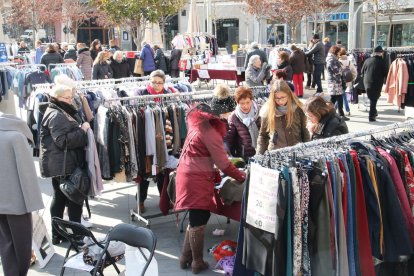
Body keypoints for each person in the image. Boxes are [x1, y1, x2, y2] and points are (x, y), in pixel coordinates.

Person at [175, 103, 246, 274]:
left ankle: (185, 258)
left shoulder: (198, 126)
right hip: (196, 178)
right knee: (198, 217)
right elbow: (224, 164)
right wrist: (242, 176)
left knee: (197, 217)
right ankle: (197, 262)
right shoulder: (209, 132)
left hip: (190, 175)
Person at [39, 85, 90, 245]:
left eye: (70, 97)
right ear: (57, 97)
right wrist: (82, 131)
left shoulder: (58, 110)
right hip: (63, 164)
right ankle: (77, 237)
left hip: (60, 163)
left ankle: (58, 234)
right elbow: (62, 141)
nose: (70, 100)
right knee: (74, 199)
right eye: (66, 98)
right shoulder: (56, 114)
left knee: (60, 198)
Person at [0, 113, 44, 276]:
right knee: (22, 246)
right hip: (18, 203)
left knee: (5, 244)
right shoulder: (17, 137)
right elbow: (27, 175)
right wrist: (35, 204)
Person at [136, 70, 175, 212]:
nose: (157, 85)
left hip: (165, 136)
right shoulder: (141, 93)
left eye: (160, 83)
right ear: (149, 81)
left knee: (162, 171)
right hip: (147, 136)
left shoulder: (169, 93)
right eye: (154, 82)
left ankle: (164, 198)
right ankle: (140, 201)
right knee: (146, 171)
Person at [257, 80, 309, 153]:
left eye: (283, 97)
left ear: (288, 95)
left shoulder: (297, 108)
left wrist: (307, 150)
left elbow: (305, 131)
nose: (280, 101)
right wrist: (259, 155)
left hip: (296, 152)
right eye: (277, 98)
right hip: (276, 153)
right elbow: (263, 135)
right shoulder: (267, 111)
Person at [224, 87, 260, 161]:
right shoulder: (234, 117)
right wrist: (226, 152)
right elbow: (229, 138)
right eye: (242, 103)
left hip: (261, 152)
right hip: (245, 156)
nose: (245, 106)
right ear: (237, 103)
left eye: (247, 102)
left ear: (251, 100)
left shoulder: (259, 113)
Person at [361, 45, 388, 121]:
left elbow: (362, 71)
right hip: (376, 83)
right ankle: (371, 116)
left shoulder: (367, 60)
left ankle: (374, 112)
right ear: (380, 53)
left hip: (366, 82)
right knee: (373, 99)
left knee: (372, 98)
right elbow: (386, 73)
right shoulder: (382, 62)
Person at [326, 45, 349, 121]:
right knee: (334, 98)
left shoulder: (333, 58)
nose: (339, 53)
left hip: (335, 82)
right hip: (334, 82)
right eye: (338, 51)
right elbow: (336, 71)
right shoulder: (331, 60)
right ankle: (328, 113)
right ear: (335, 52)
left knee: (338, 98)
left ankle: (340, 114)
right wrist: (342, 70)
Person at [338, 48, 357, 116]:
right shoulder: (349, 62)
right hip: (347, 82)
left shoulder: (338, 61)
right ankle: (336, 108)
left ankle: (347, 110)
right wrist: (352, 79)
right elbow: (354, 72)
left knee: (341, 96)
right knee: (341, 95)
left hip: (339, 81)